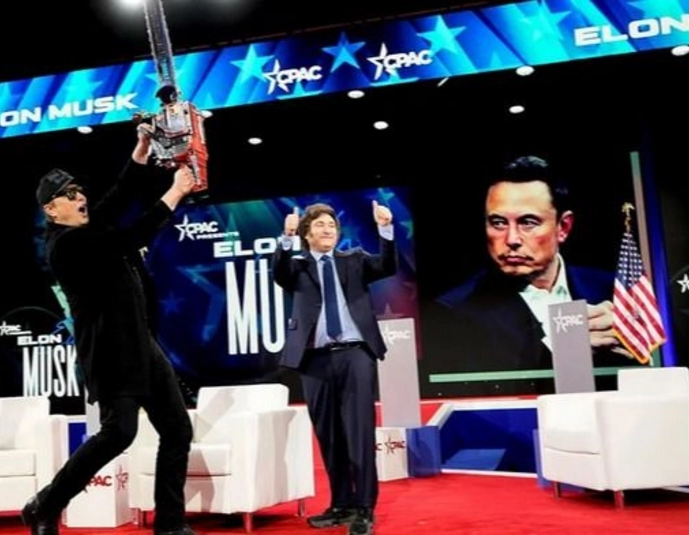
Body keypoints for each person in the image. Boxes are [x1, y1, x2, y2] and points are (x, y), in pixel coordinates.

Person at [20, 128, 196, 535]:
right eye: (70, 195)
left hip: (142, 345)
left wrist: (141, 150)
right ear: (51, 209)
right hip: (111, 353)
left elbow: (118, 196)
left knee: (177, 429)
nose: (80, 197)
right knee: (119, 433)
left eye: (79, 191)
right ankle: (46, 503)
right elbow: (131, 236)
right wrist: (174, 193)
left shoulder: (84, 229)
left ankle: (170, 524)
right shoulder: (67, 246)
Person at [428, 155, 634, 392]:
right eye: (498, 222)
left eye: (528, 222)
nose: (512, 239)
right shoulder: (455, 312)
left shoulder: (612, 290)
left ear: (563, 227)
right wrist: (564, 353)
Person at [272, 201, 396, 535]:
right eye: (320, 225)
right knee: (329, 436)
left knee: (359, 433)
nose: (328, 230)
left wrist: (385, 229)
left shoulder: (354, 259)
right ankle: (342, 504)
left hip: (356, 355)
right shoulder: (297, 267)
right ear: (306, 234)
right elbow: (279, 272)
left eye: (332, 225)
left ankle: (364, 509)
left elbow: (386, 265)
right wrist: (286, 236)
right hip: (314, 360)